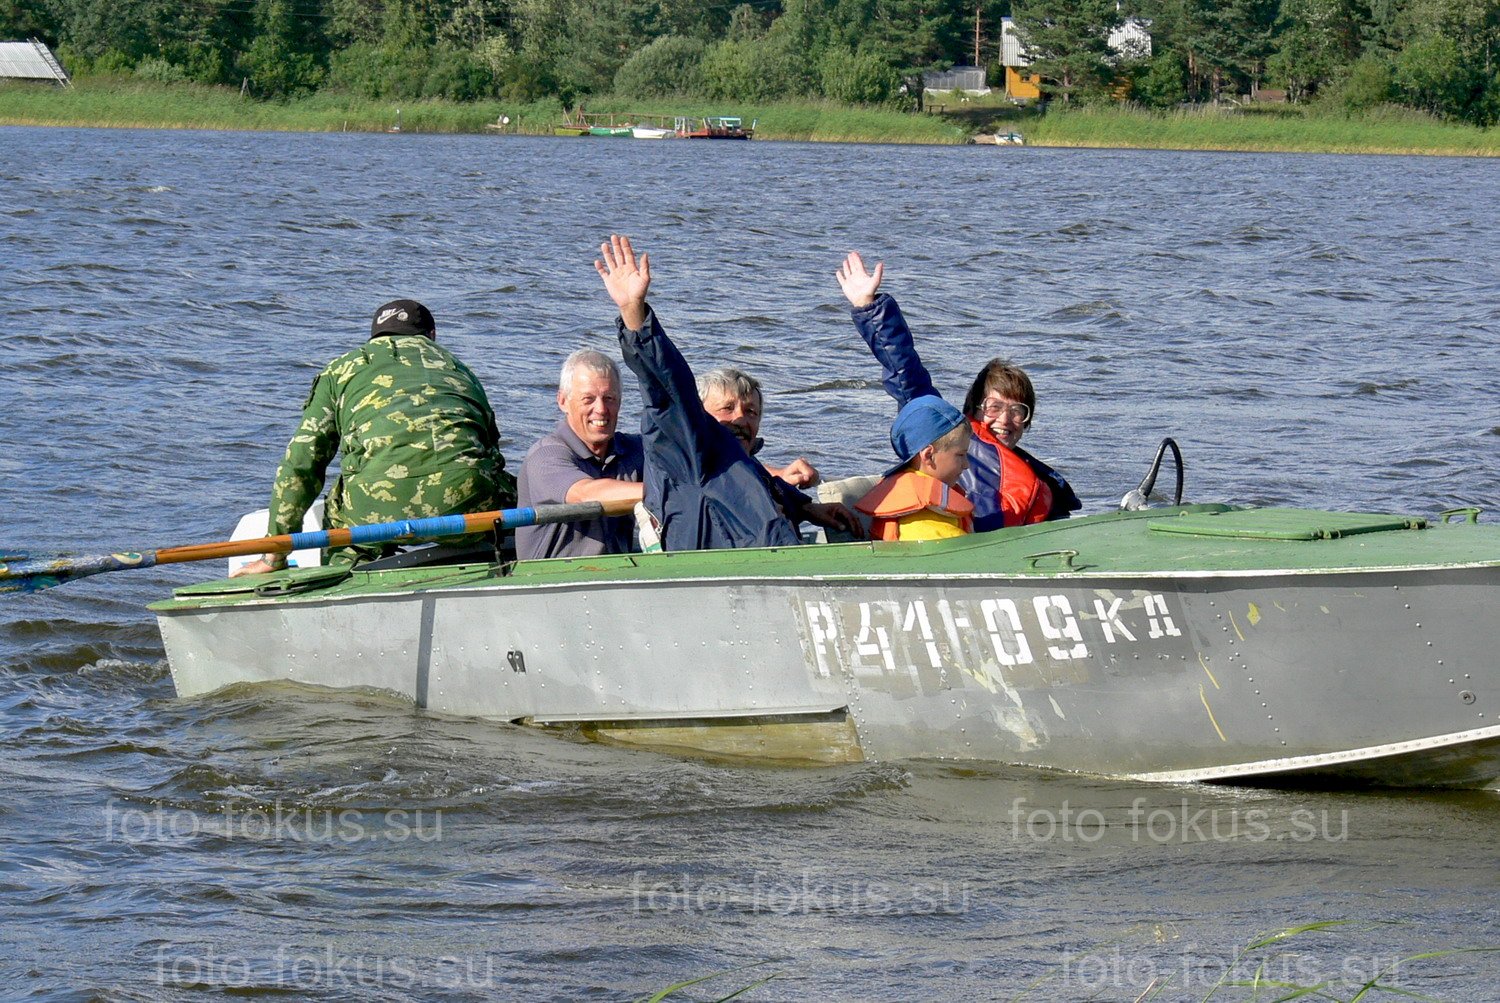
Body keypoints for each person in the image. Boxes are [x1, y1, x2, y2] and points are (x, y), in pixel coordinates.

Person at [595, 234, 862, 551]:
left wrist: (806, 508)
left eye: (751, 412)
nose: (740, 418)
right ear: (699, 413)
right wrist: (634, 314)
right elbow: (668, 387)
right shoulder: (685, 451)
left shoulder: (744, 464)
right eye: (727, 408)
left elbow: (748, 484)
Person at [232, 299, 513, 575]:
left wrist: (275, 553)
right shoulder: (458, 368)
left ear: (375, 336)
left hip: (372, 510)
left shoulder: (340, 371)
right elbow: (490, 451)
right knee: (509, 490)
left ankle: (349, 573)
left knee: (346, 526)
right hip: (467, 505)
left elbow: (302, 463)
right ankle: (507, 561)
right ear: (432, 336)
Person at [835, 252, 1081, 532]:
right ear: (974, 409)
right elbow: (906, 373)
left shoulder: (1036, 476)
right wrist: (869, 307)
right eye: (994, 407)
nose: (1005, 419)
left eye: (1018, 411)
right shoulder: (950, 442)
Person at [515, 349, 644, 561]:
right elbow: (586, 495)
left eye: (609, 398)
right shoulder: (545, 456)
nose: (601, 409)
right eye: (588, 399)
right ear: (563, 401)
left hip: (615, 578)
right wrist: (666, 493)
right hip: (550, 582)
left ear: (620, 402)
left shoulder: (634, 449)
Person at [855, 396, 975, 541]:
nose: (966, 464)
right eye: (960, 455)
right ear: (929, 455)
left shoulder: (913, 492)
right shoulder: (920, 519)